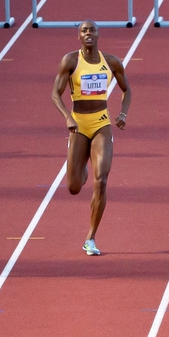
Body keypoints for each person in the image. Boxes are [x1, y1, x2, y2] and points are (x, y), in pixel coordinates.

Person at [50, 20, 130, 256]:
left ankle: (91, 237)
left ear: (98, 34)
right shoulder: (71, 61)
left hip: (101, 123)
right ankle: (82, 163)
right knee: (74, 187)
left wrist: (123, 113)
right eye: (84, 31)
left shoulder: (111, 62)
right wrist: (67, 116)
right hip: (78, 125)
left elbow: (127, 90)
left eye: (92, 30)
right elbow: (55, 93)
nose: (88, 34)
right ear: (78, 36)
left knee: (102, 181)